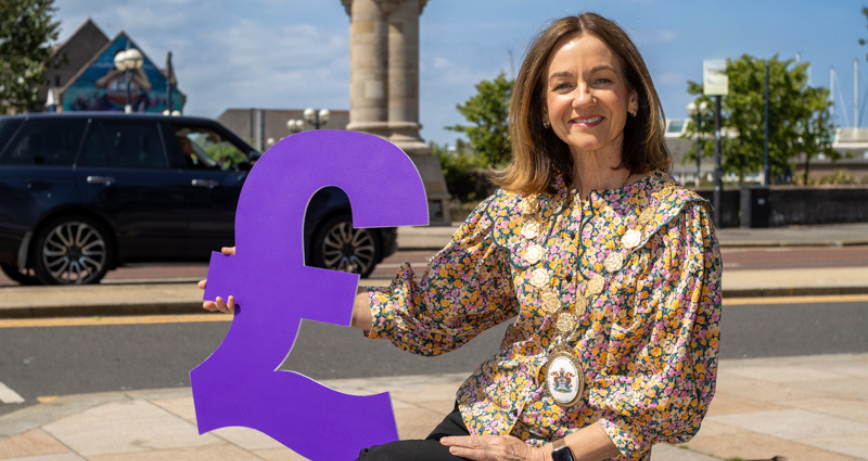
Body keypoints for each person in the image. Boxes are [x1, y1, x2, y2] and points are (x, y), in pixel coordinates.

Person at [202, 12, 722, 461]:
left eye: (601, 80)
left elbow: (672, 396)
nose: (582, 98)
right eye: (563, 85)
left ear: (632, 97)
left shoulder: (676, 223)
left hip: (575, 452)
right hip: (484, 422)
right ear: (542, 109)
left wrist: (545, 455)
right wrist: (276, 286)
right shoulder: (517, 212)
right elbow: (429, 314)